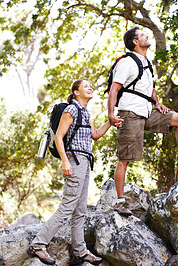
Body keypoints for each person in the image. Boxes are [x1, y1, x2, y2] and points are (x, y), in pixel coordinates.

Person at [108, 26, 178, 216]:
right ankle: (120, 202)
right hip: (129, 113)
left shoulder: (147, 62)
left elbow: (149, 89)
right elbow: (114, 89)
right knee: (124, 160)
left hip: (147, 111)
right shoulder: (126, 62)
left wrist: (157, 104)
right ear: (135, 42)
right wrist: (111, 114)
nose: (147, 36)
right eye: (142, 35)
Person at [27, 78, 114, 265]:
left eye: (91, 86)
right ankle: (38, 244)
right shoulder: (71, 109)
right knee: (67, 207)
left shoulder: (85, 113)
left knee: (80, 209)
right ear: (76, 92)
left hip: (85, 161)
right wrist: (65, 161)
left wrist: (110, 122)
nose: (90, 88)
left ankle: (80, 251)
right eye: (85, 86)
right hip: (74, 160)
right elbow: (58, 137)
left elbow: (96, 135)